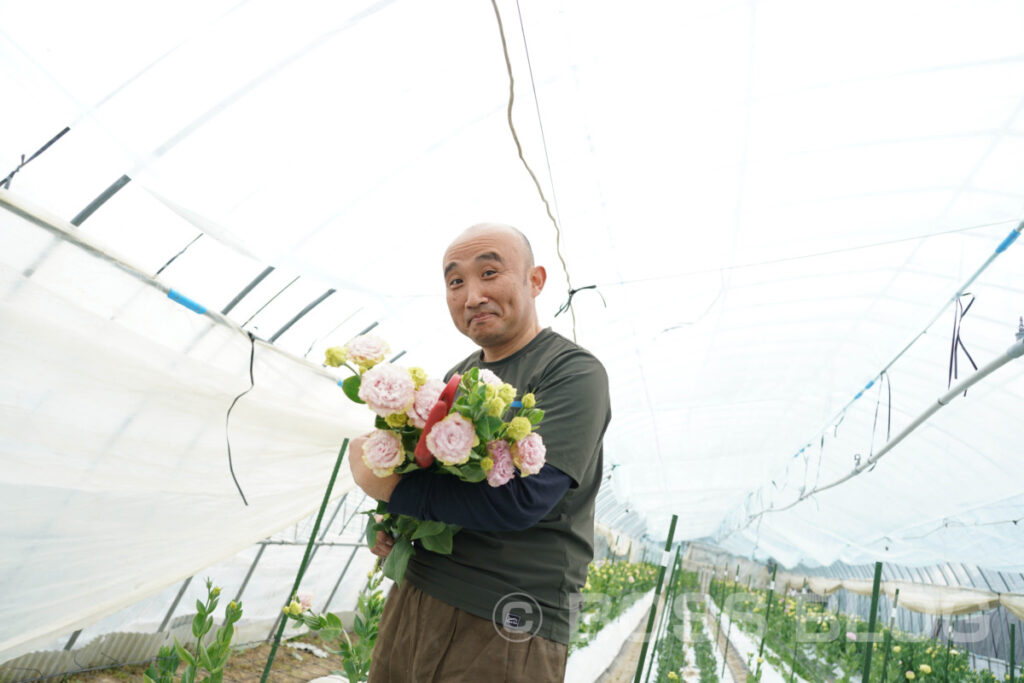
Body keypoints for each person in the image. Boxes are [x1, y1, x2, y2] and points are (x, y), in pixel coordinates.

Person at [348, 222, 611, 682]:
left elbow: (523, 501)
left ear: (535, 280)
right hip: (418, 592)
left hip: (505, 617)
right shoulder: (458, 376)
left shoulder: (572, 373)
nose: (471, 296)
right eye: (456, 281)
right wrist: (389, 522)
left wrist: (393, 490)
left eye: (489, 273)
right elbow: (431, 474)